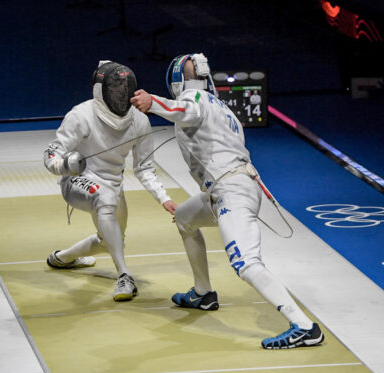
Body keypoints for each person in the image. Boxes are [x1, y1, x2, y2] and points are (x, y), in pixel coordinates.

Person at [130, 53, 323, 349]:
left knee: (245, 263)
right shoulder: (224, 108)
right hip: (224, 190)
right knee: (184, 218)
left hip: (231, 190)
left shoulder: (194, 98)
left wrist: (153, 103)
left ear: (178, 80)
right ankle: (203, 293)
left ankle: (304, 326)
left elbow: (184, 109)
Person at [44, 60, 177, 301]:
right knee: (103, 198)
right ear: (101, 90)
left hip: (114, 186)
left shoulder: (139, 120)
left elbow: (145, 168)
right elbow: (52, 151)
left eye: (125, 88)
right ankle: (125, 276)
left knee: (110, 240)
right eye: (115, 88)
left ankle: (62, 258)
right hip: (77, 181)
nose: (121, 93)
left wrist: (164, 198)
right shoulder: (81, 115)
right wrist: (62, 165)